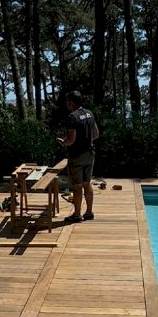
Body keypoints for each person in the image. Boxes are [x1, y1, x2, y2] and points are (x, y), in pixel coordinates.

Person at [57, 90, 99, 222]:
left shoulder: (72, 117)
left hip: (77, 156)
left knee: (77, 186)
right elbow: (96, 134)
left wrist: (63, 143)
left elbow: (71, 140)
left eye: (67, 102)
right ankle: (89, 212)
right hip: (90, 153)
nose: (66, 104)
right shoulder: (89, 114)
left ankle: (76, 215)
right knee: (87, 183)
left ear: (71, 102)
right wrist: (86, 139)